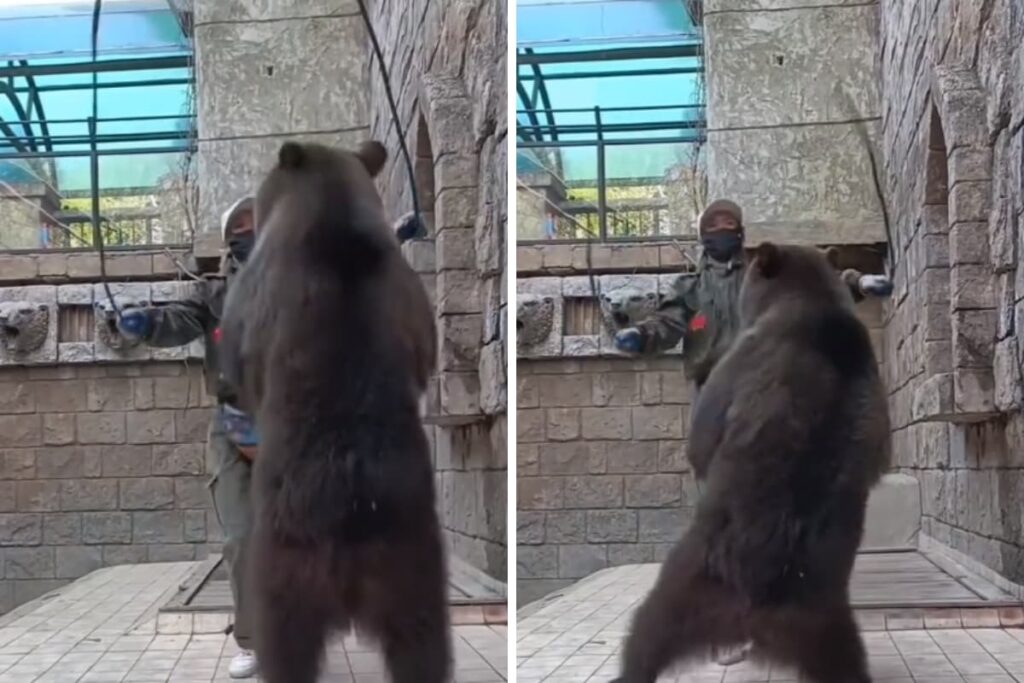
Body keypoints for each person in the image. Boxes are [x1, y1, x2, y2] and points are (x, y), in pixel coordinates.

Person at [613, 198, 893, 666]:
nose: (723, 230)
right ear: (703, 233)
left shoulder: (763, 269)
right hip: (719, 390)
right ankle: (734, 617)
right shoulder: (692, 287)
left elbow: (817, 278)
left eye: (730, 224)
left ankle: (779, 609)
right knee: (724, 510)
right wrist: (641, 336)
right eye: (715, 225)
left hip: (781, 389)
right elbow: (668, 321)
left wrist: (860, 283)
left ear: (742, 232)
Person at [117, 195, 261, 678]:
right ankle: (254, 640)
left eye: (259, 221)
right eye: (240, 225)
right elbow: (177, 321)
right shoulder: (212, 294)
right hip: (235, 423)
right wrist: (146, 323)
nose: (251, 229)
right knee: (243, 537)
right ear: (229, 239)